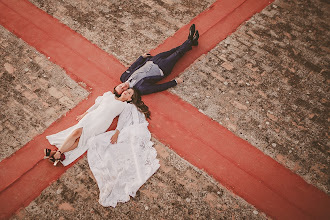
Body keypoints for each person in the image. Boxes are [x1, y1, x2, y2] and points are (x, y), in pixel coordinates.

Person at [44, 88, 147, 166]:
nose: (126, 92)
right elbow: (96, 105)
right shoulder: (109, 96)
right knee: (75, 133)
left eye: (129, 93)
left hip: (101, 123)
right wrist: (85, 113)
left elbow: (122, 120)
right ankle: (58, 154)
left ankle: (57, 153)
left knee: (80, 141)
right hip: (91, 117)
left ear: (130, 99)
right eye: (127, 90)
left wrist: (117, 133)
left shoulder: (125, 106)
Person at [86, 100, 158, 207]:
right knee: (98, 142)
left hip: (138, 131)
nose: (129, 95)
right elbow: (122, 120)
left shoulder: (137, 109)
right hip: (130, 131)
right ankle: (114, 176)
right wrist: (117, 133)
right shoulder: (127, 106)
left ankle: (119, 176)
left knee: (132, 152)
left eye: (130, 93)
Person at [114, 24, 199, 96]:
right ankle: (190, 39)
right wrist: (175, 82)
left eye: (119, 86)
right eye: (122, 89)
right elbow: (158, 88)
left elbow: (132, 67)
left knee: (173, 51)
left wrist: (141, 58)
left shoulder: (123, 77)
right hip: (162, 68)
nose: (122, 86)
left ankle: (192, 42)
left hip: (152, 61)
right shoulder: (140, 89)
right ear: (125, 92)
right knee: (177, 54)